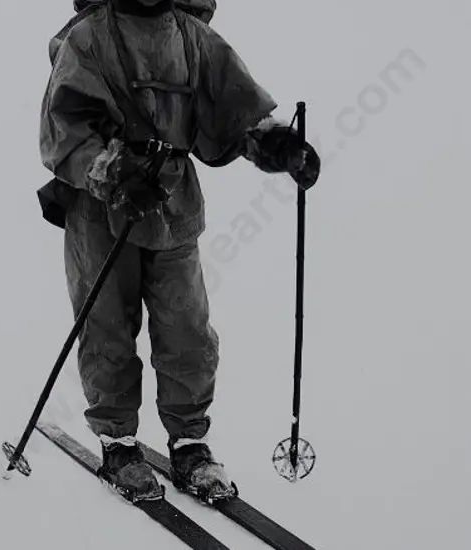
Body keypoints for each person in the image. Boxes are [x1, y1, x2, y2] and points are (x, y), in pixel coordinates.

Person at [37, 0, 320, 503]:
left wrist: (276, 143)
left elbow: (235, 107)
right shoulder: (88, 37)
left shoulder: (192, 37)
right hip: (102, 209)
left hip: (172, 202)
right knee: (107, 324)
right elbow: (66, 127)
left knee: (186, 326)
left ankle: (189, 443)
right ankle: (119, 443)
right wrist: (114, 171)